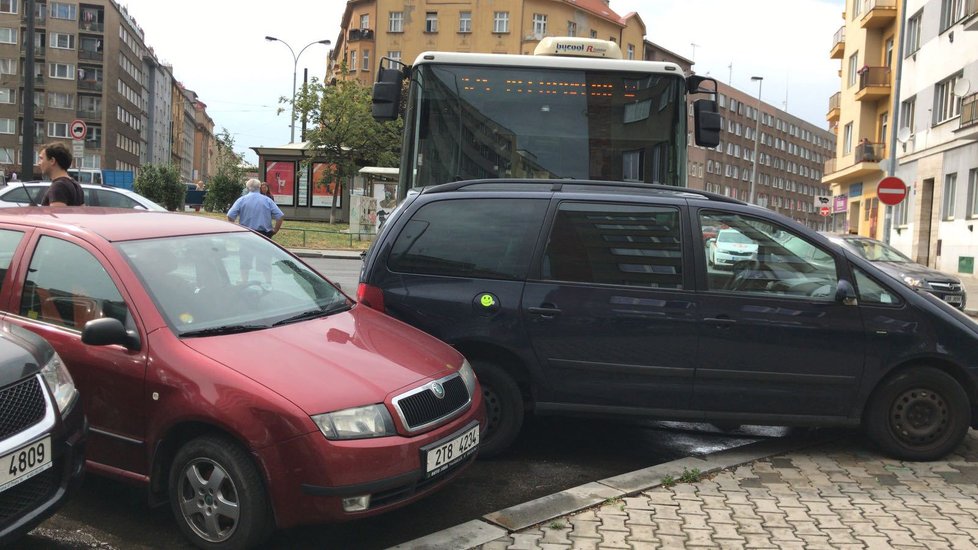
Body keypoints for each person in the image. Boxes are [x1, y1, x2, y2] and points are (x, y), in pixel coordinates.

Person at [227, 178, 285, 283]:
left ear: (248, 188)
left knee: (245, 260)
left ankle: (244, 281)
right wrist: (275, 230)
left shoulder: (242, 200)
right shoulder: (267, 200)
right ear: (259, 187)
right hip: (264, 234)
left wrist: (235, 227)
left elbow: (230, 215)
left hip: (246, 233)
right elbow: (280, 216)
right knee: (265, 260)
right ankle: (268, 282)